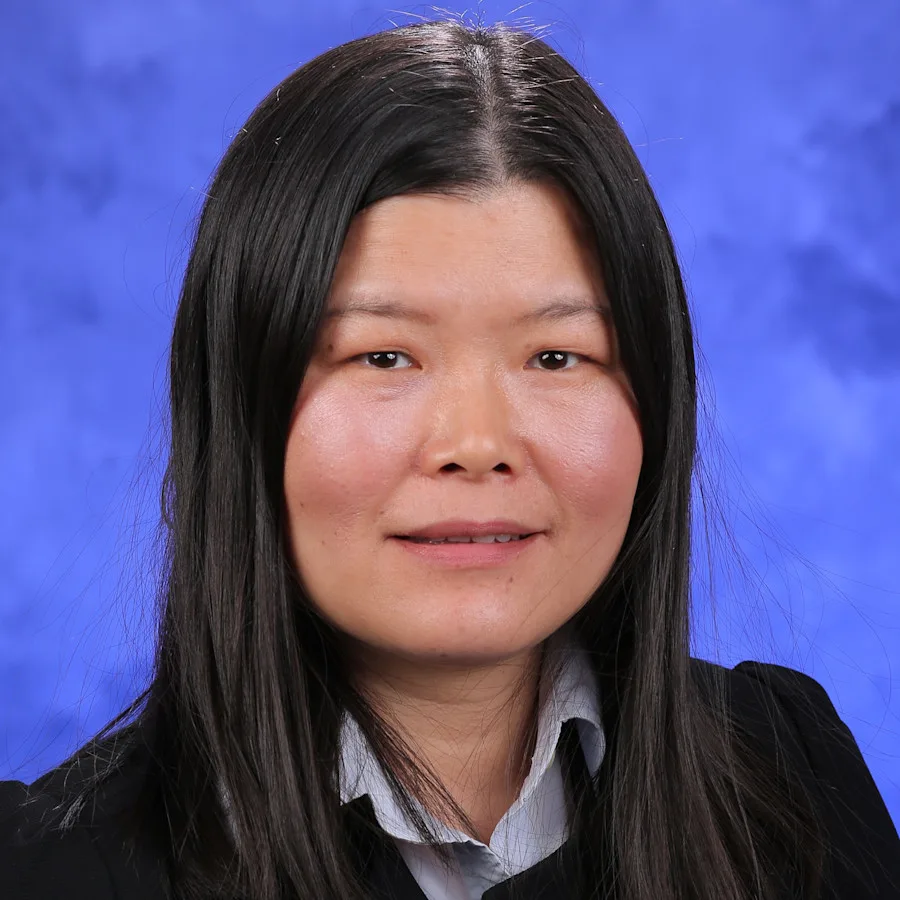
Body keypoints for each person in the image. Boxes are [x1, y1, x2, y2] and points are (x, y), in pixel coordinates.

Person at [1, 16, 897, 900]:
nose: (477, 445)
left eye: (557, 357)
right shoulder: (53, 872)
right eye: (383, 356)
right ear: (239, 405)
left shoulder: (791, 781)